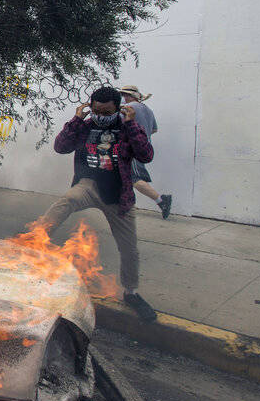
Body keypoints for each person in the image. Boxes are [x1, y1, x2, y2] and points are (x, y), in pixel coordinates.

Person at [36, 86, 157, 322]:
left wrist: (131, 124)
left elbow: (146, 155)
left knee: (129, 248)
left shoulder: (126, 127)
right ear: (90, 108)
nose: (101, 115)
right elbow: (60, 147)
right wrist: (77, 119)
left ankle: (131, 292)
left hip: (118, 193)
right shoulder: (86, 125)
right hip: (89, 184)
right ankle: (35, 240)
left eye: (106, 111)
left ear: (118, 108)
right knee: (67, 199)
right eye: (96, 110)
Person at [119, 85, 172, 219]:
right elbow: (154, 129)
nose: (122, 98)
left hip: (132, 148)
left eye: (123, 95)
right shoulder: (148, 110)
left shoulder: (128, 108)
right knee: (126, 177)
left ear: (129, 96)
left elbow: (118, 124)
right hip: (144, 147)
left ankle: (161, 201)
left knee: (134, 178)